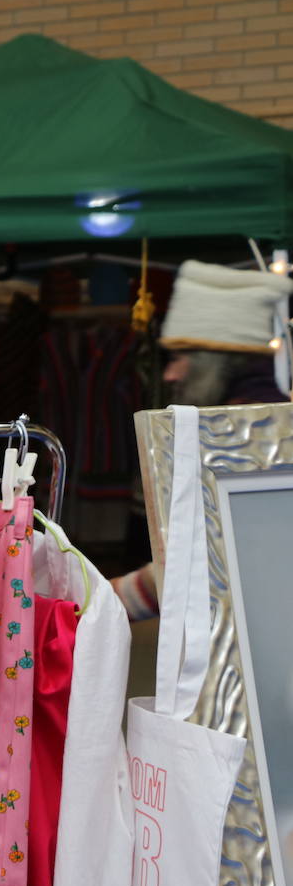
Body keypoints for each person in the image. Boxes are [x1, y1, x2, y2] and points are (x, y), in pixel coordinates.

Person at [113, 259, 291, 619]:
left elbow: (212, 566)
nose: (171, 374)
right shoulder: (256, 424)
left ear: (215, 362)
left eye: (179, 358)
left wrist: (96, 601)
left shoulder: (248, 439)